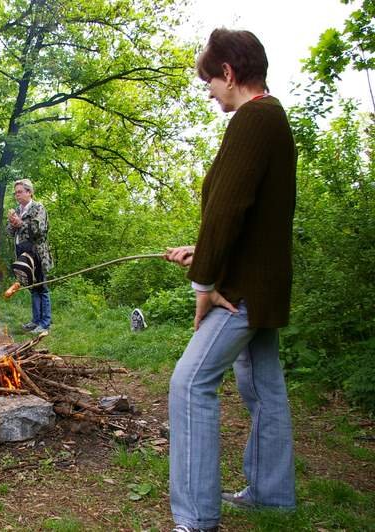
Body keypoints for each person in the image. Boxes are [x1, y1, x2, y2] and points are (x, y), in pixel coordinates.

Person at [163, 29, 297, 532]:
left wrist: (204, 284)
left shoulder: (253, 119)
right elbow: (252, 218)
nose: (208, 91)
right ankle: (271, 495)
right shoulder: (273, 118)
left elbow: (226, 209)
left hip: (240, 290)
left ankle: (196, 519)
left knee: (189, 384)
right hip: (261, 281)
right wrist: (204, 252)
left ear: (229, 73)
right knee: (263, 388)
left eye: (209, 81)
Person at [6, 178, 53, 334]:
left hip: (37, 253)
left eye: (20, 192)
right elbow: (10, 233)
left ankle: (45, 323)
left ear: (29, 192)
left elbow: (40, 230)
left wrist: (21, 224)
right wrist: (12, 223)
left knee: (41, 286)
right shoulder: (17, 210)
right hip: (23, 254)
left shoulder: (38, 208)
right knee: (32, 287)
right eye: (15, 193)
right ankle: (35, 321)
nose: (17, 195)